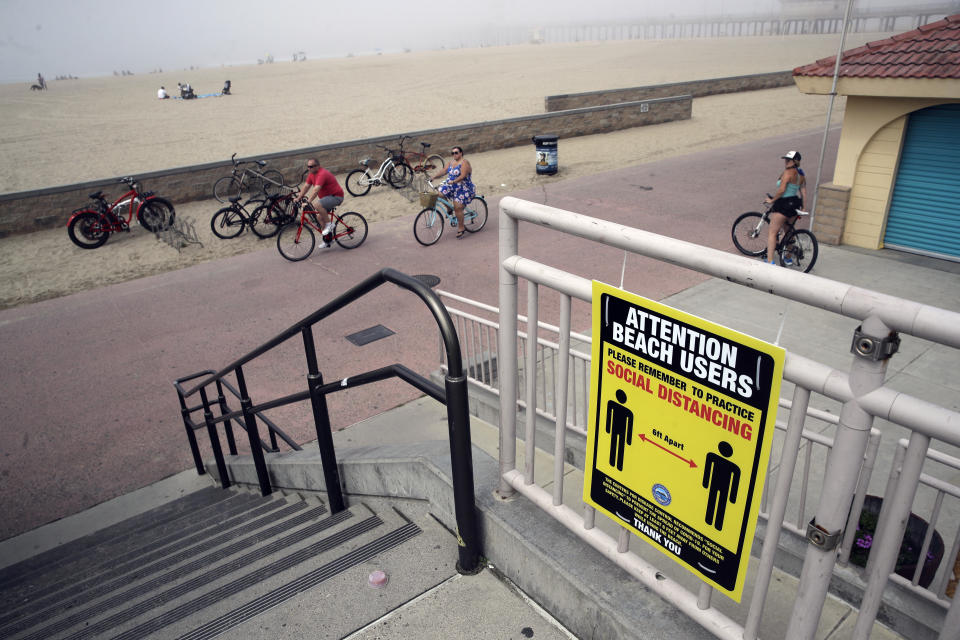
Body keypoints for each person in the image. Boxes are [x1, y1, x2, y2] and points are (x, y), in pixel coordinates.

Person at [764, 150, 805, 265]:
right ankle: (787, 258)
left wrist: (772, 200)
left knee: (772, 233)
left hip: (783, 204)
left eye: (788, 160)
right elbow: (803, 192)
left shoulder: (787, 173)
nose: (786, 162)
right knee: (789, 232)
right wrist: (804, 207)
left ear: (795, 161)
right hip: (794, 203)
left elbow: (781, 190)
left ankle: (770, 261)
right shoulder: (801, 174)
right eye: (785, 159)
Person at [293, 159, 344, 248]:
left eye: (311, 167)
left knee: (316, 205)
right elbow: (306, 187)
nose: (309, 168)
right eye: (308, 167)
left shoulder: (322, 174)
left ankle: (330, 225)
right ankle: (328, 240)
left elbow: (316, 190)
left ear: (317, 166)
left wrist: (308, 202)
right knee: (319, 218)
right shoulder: (311, 174)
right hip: (326, 199)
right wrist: (298, 198)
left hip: (336, 196)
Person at [431, 145, 475, 239]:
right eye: (452, 153)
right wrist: (433, 177)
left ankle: (461, 227)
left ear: (461, 153)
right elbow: (444, 171)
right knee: (439, 193)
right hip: (451, 186)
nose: (454, 154)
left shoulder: (464, 163)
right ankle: (449, 209)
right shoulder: (451, 162)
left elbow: (463, 176)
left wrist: (454, 181)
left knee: (457, 207)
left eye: (456, 152)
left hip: (463, 188)